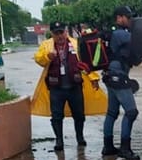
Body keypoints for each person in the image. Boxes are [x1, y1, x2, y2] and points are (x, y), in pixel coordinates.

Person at [32, 21, 104, 151]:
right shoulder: (46, 45)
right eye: (56, 33)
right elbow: (38, 60)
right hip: (56, 87)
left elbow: (86, 63)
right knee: (56, 116)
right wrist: (47, 56)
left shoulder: (76, 44)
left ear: (65, 32)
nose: (60, 36)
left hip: (75, 85)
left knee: (79, 115)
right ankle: (59, 140)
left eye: (62, 32)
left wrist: (93, 78)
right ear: (52, 34)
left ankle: (80, 137)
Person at [101, 6, 141, 160]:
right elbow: (140, 40)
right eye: (127, 17)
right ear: (119, 18)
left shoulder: (115, 34)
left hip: (111, 76)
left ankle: (108, 146)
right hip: (118, 76)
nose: (130, 20)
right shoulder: (120, 34)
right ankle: (125, 148)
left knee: (112, 112)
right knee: (131, 112)